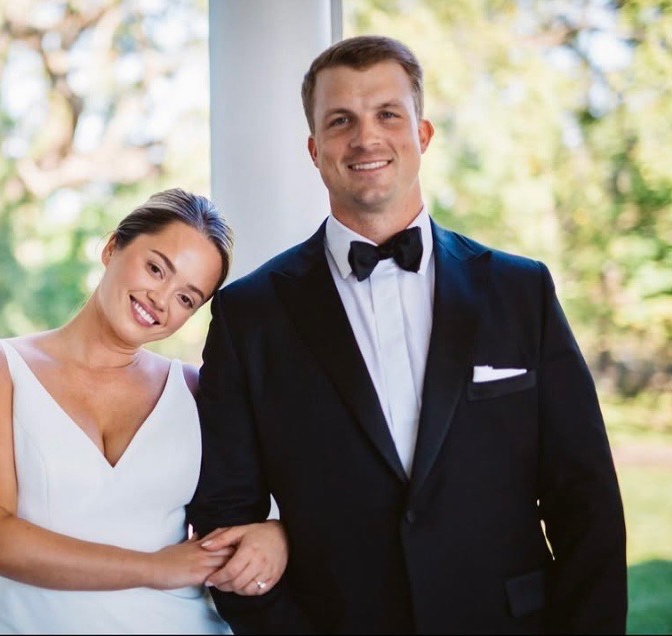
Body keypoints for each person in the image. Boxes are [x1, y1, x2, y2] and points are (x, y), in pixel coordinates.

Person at [188, 35, 627, 634]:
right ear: (315, 151)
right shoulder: (250, 315)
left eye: (387, 114)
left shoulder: (521, 292)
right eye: (341, 121)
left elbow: (587, 502)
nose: (365, 138)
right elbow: (223, 519)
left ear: (422, 135)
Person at [0, 188, 289, 635]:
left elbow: (289, 486)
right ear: (112, 247)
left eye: (187, 298)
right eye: (155, 268)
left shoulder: (198, 391)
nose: (161, 299)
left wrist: (278, 533)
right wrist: (155, 568)